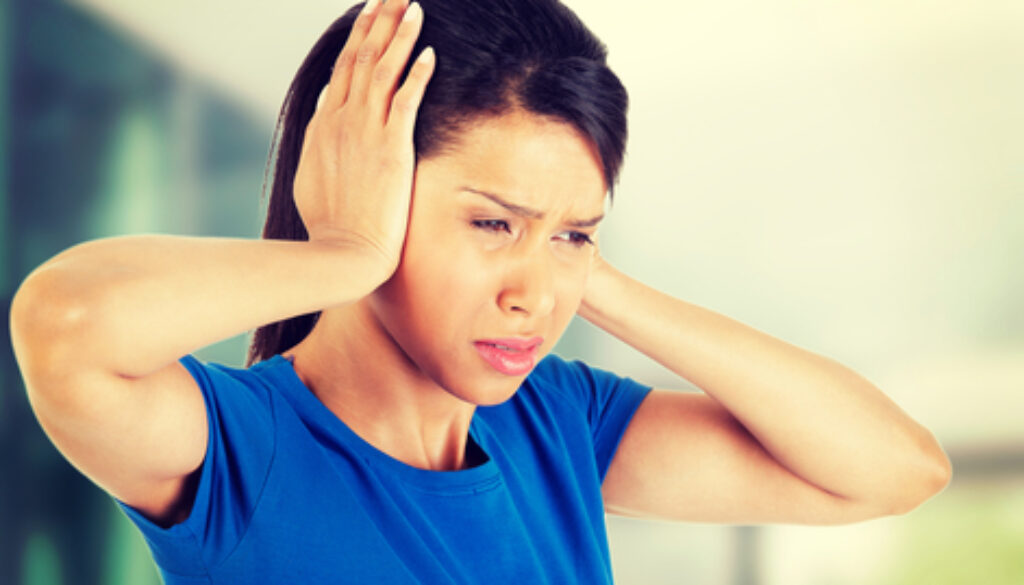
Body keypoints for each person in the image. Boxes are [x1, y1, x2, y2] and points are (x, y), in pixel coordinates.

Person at [9, 0, 951, 583]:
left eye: (576, 229)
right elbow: (70, 324)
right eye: (491, 222)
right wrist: (344, 251)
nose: (529, 294)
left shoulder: (559, 427)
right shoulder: (239, 456)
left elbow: (895, 468)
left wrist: (584, 270)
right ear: (365, 187)